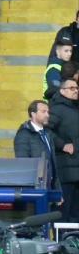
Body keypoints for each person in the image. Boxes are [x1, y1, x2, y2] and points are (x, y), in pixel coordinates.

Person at [15, 99, 71, 188]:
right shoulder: (23, 134)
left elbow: (53, 165)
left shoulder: (47, 134)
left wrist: (57, 191)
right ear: (33, 114)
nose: (47, 115)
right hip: (34, 190)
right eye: (43, 112)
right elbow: (23, 164)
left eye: (48, 112)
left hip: (49, 188)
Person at [49, 79, 79, 221]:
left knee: (75, 213)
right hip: (65, 170)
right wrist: (63, 145)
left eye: (77, 88)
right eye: (72, 88)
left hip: (76, 169)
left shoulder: (75, 108)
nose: (76, 90)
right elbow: (46, 131)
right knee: (63, 212)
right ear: (62, 91)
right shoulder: (56, 109)